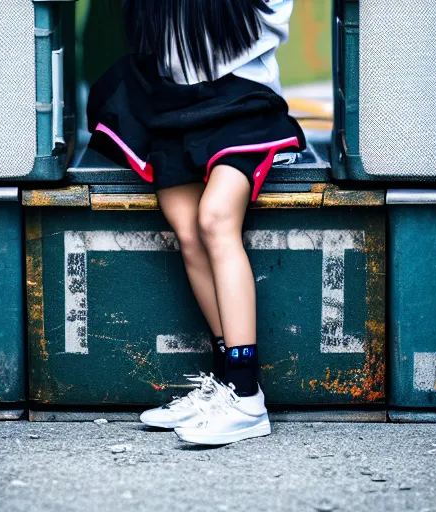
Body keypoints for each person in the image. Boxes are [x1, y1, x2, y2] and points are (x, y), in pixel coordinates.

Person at [86, 0, 306, 445]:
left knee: (215, 219)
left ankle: (245, 396)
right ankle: (226, 384)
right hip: (170, 105)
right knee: (188, 233)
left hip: (244, 102)